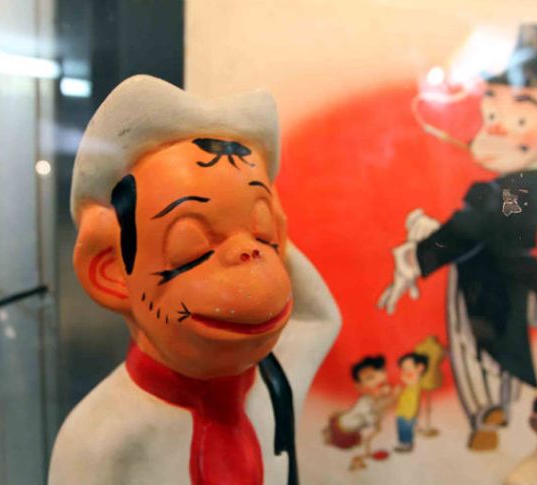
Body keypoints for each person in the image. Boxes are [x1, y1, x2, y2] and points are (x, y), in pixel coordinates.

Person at [48, 75, 342, 485]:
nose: (246, 254)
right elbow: (319, 318)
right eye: (190, 241)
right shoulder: (101, 438)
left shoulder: (274, 381)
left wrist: (273, 236)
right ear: (111, 270)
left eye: (262, 229)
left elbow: (320, 319)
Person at [378, 24, 537, 450]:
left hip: (499, 278)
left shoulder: (525, 186)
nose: (498, 129)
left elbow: (485, 224)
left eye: (520, 118)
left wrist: (420, 254)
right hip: (482, 272)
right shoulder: (512, 185)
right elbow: (477, 222)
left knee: (491, 349)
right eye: (492, 116)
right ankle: (488, 413)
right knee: (476, 345)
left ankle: (492, 415)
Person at [323, 355, 395, 470]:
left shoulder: (373, 398)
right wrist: (387, 403)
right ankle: (355, 462)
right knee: (350, 446)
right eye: (370, 378)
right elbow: (371, 418)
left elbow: (378, 406)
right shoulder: (365, 402)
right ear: (360, 387)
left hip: (352, 428)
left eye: (381, 373)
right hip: (344, 429)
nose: (378, 380)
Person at [394, 352, 428, 452]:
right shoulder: (411, 380)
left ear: (420, 368)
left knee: (404, 429)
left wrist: (403, 378)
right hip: (404, 409)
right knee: (403, 426)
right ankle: (414, 430)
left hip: (407, 411)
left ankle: (406, 444)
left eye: (408, 368)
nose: (405, 372)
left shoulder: (415, 379)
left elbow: (411, 381)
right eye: (403, 369)